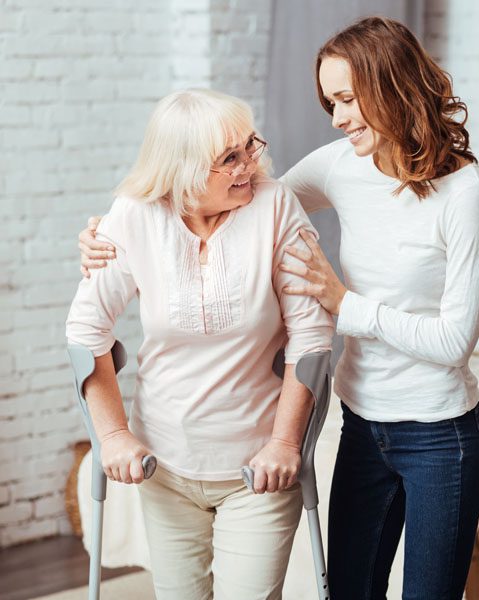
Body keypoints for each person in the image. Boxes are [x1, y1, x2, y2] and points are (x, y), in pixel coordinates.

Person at [79, 16, 479, 600]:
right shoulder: (342, 163)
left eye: (348, 99)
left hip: (437, 432)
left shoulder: (466, 193)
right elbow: (251, 201)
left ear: (392, 87)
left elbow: (454, 343)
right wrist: (115, 230)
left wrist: (344, 305)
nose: (338, 118)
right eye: (331, 101)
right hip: (363, 422)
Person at [67, 89, 334, 600]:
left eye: (249, 147)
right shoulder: (134, 216)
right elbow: (86, 330)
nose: (249, 167)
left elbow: (312, 336)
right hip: (163, 466)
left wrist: (284, 444)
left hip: (257, 469)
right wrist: (114, 434)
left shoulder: (275, 207)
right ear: (183, 170)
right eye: (229, 159)